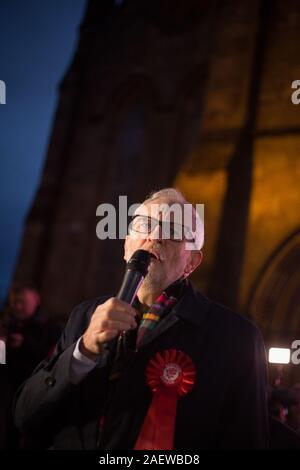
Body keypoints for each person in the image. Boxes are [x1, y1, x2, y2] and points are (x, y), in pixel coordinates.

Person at [13, 188, 269, 449]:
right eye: (144, 224)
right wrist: (83, 352)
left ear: (191, 261)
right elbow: (25, 415)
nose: (155, 235)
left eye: (173, 231)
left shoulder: (236, 340)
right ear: (126, 244)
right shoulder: (84, 316)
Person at [0, 282, 60, 448]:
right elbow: (1, 361)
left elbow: (52, 361)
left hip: (30, 392)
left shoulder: (49, 328)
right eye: (15, 302)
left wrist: (24, 343)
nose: (18, 307)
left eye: (23, 303)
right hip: (5, 388)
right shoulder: (5, 321)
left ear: (35, 300)